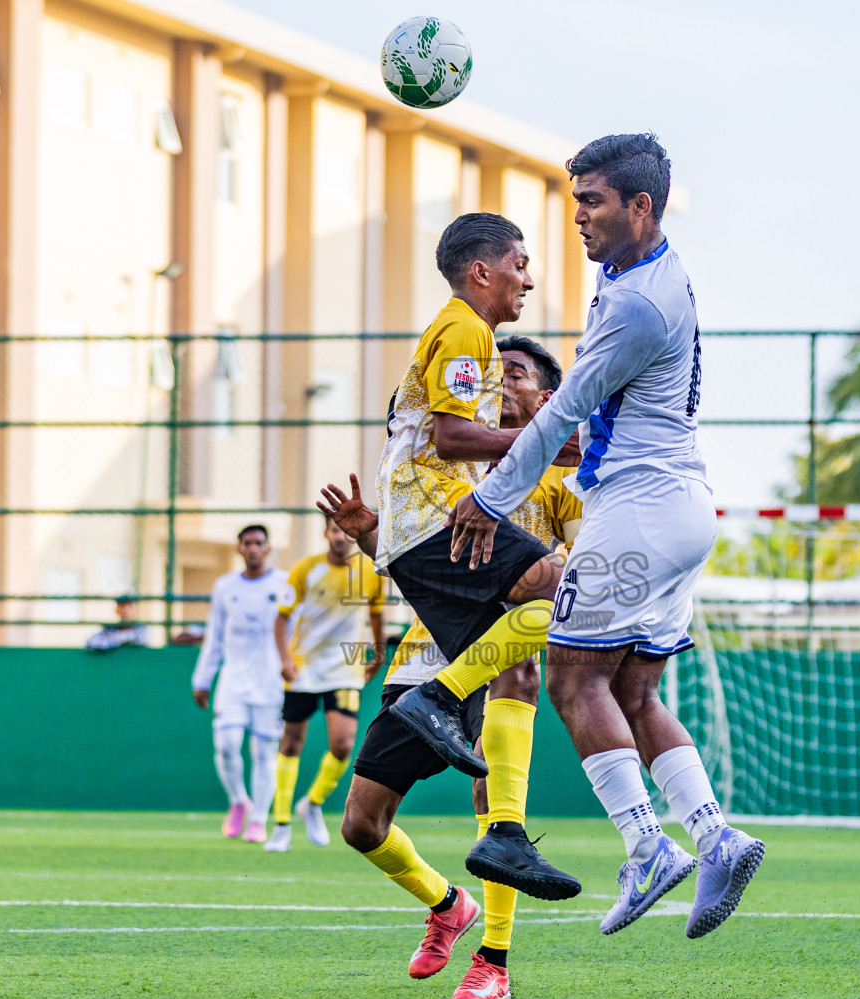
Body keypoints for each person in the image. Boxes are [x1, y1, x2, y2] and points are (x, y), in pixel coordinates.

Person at [444, 133, 765, 939]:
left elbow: (562, 412)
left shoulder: (633, 305)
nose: (578, 216)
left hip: (638, 512)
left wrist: (491, 500)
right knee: (633, 692)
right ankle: (716, 838)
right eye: (576, 198)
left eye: (592, 201)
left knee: (572, 682)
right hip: (683, 508)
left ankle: (647, 846)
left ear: (640, 205)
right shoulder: (646, 274)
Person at [334, 212, 582, 924]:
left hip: (420, 531)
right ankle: (441, 700)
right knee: (564, 593)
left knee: (366, 823)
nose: (528, 278)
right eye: (520, 263)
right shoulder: (467, 328)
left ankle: (495, 855)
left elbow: (431, 432)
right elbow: (448, 439)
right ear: (483, 270)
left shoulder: (461, 333)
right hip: (435, 518)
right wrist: (545, 445)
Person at [264, 516, 387, 853]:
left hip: (345, 669)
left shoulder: (370, 570)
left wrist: (377, 653)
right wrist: (284, 660)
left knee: (344, 744)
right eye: (334, 530)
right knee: (291, 743)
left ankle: (313, 803)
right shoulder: (306, 569)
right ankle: (282, 825)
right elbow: (281, 617)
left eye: (345, 530)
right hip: (304, 669)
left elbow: (377, 614)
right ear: (325, 533)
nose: (340, 536)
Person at [192, 525, 294, 842]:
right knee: (225, 747)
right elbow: (215, 636)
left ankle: (259, 819)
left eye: (258, 543)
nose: (253, 548)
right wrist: (202, 678)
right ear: (239, 549)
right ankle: (238, 801)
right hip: (233, 682)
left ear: (268, 548)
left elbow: (297, 631)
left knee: (264, 753)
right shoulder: (225, 587)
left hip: (270, 684)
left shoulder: (284, 584)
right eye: (247, 543)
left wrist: (294, 670)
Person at [84, 596, 152, 651]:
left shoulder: (142, 628)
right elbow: (91, 642)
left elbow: (141, 638)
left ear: (136, 610)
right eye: (122, 606)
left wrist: (112, 638)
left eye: (130, 606)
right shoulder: (110, 628)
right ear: (117, 610)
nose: (125, 610)